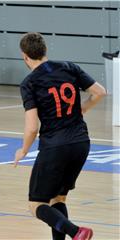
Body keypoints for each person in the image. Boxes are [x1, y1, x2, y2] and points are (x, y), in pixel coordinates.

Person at [13, 32, 106, 240]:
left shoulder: (30, 83)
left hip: (55, 146)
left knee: (36, 204)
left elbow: (31, 128)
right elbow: (100, 92)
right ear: (44, 50)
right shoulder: (69, 67)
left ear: (25, 56)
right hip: (81, 142)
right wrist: (80, 110)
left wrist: (24, 150)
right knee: (58, 198)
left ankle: (76, 232)